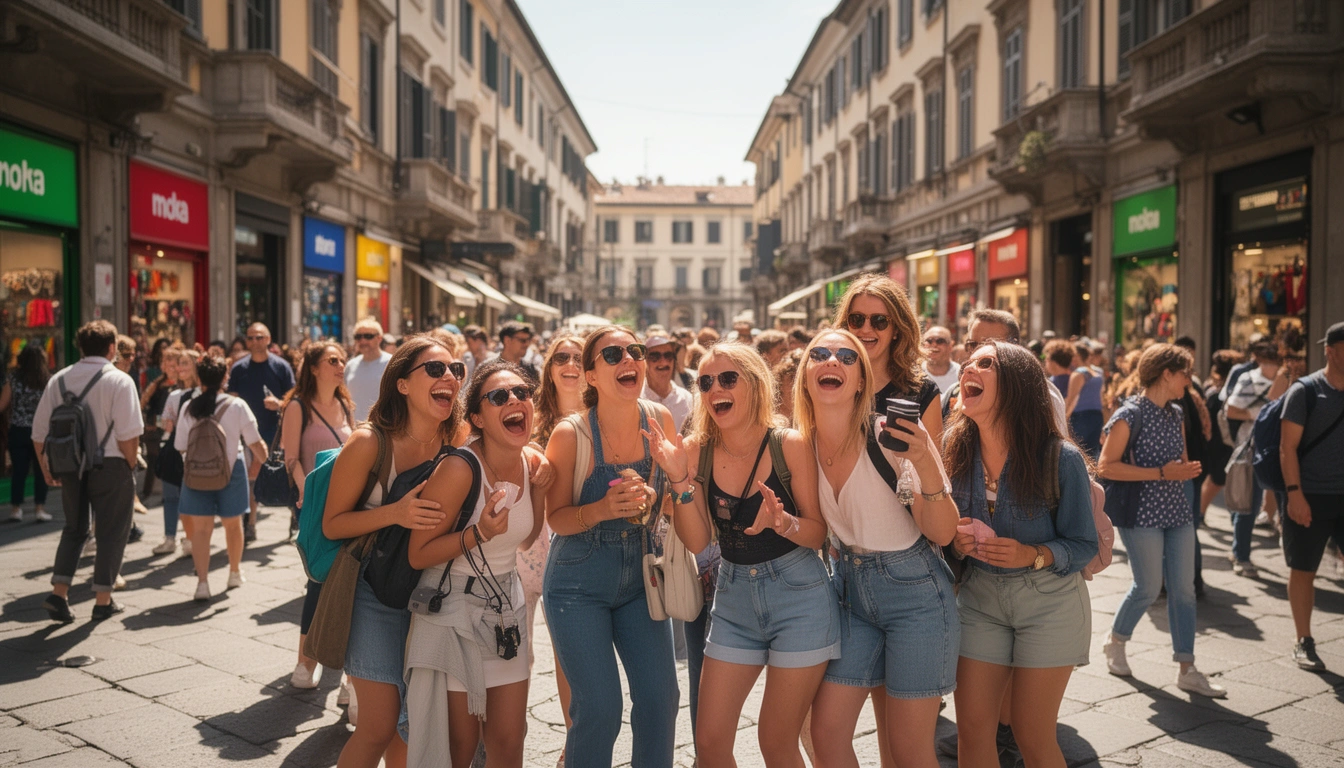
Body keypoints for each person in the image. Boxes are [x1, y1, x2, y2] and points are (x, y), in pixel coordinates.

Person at [642, 341, 834, 766]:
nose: (715, 390)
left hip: (798, 595)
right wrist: (678, 481)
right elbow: (697, 542)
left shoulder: (791, 444)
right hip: (732, 599)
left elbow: (818, 533)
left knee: (776, 741)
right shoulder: (695, 450)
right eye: (706, 382)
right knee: (709, 744)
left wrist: (785, 524)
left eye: (728, 379)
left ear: (755, 386)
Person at [798, 329, 959, 768]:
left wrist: (925, 461)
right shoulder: (797, 444)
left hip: (916, 594)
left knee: (909, 751)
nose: (833, 361)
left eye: (847, 356)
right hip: (849, 593)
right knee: (822, 734)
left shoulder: (890, 433)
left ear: (861, 379)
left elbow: (943, 532)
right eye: (821, 354)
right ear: (805, 373)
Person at [947, 341, 1099, 768]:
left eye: (985, 364)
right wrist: (954, 542)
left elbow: (1083, 544)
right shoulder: (955, 449)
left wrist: (1032, 554)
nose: (968, 370)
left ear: (1016, 383)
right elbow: (942, 531)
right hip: (978, 601)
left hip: (1049, 604)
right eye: (968, 364)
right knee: (974, 733)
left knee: (1033, 736)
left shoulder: (1060, 457)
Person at [324, 335, 467, 768]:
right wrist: (396, 513)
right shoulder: (369, 442)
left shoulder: (456, 437)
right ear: (402, 384)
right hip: (372, 591)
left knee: (411, 724)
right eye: (436, 369)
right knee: (377, 725)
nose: (450, 377)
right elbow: (334, 524)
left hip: (430, 592)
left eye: (456, 370)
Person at [542, 326, 679, 768]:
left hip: (641, 577)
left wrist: (657, 497)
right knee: (600, 710)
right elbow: (557, 518)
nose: (630, 360)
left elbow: (673, 497)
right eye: (613, 354)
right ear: (591, 376)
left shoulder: (660, 418)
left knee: (661, 700)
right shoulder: (571, 434)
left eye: (635, 351)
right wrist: (601, 508)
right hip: (577, 584)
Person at [405, 359, 547, 768]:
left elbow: (524, 539)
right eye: (500, 396)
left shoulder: (530, 460)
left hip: (507, 612)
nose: (516, 400)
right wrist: (478, 534)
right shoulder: (458, 468)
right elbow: (419, 552)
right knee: (458, 750)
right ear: (478, 418)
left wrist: (539, 486)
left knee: (508, 743)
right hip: (454, 616)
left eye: (523, 393)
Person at [1099, 344, 1224, 697]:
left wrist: (1183, 470)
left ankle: (1187, 667)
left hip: (1176, 510)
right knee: (1148, 587)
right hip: (1141, 514)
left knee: (1184, 591)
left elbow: (1178, 461)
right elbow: (1106, 466)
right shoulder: (1129, 414)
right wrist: (1161, 472)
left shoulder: (1176, 413)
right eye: (1185, 372)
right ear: (1166, 374)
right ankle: (1116, 640)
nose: (1190, 379)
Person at [34, 320, 145, 622]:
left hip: (70, 465)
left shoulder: (58, 380)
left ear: (80, 347)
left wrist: (47, 467)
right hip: (111, 464)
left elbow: (39, 433)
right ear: (112, 348)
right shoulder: (120, 381)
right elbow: (128, 435)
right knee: (111, 531)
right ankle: (102, 601)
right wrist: (131, 465)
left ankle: (58, 594)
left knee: (74, 528)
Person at [281, 343, 356, 689]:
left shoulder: (344, 404)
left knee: (352, 584)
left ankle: (349, 675)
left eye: (342, 359)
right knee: (319, 582)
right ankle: (304, 663)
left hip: (350, 507)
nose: (340, 365)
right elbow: (291, 458)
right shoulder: (297, 406)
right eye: (332, 360)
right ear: (313, 367)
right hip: (313, 506)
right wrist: (305, 492)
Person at [526, 331, 586, 748]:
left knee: (570, 657)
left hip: (572, 548)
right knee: (512, 654)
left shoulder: (602, 420)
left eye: (579, 357)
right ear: (549, 367)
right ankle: (502, 739)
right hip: (522, 548)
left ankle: (572, 740)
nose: (569, 364)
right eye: (560, 357)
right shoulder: (528, 414)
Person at [1279, 321, 1344, 671]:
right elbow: (1286, 448)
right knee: (1304, 570)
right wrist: (1294, 494)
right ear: (1330, 351)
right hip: (1310, 494)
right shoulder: (1305, 391)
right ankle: (1303, 640)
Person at [175, 355, 267, 601]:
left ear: (199, 378)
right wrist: (264, 461)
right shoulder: (236, 406)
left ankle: (202, 583)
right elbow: (255, 442)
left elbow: (181, 446)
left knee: (201, 531)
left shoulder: (188, 407)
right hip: (231, 470)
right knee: (233, 524)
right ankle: (234, 573)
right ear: (225, 378)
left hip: (196, 474)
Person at [833, 274, 944, 444]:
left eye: (880, 320)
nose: (866, 329)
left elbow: (936, 467)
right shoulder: (829, 381)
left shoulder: (922, 393)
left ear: (897, 329)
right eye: (857, 319)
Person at [228, 323, 295, 541]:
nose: (254, 341)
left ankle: (294, 515)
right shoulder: (239, 368)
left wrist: (278, 403)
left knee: (285, 477)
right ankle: (250, 524)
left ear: (268, 339)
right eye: (250, 338)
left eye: (259, 337)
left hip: (276, 432)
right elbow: (232, 398)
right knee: (251, 479)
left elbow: (293, 398)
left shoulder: (281, 366)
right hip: (247, 432)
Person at [1223, 340, 1281, 576]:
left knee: (1255, 503)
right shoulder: (1250, 379)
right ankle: (1241, 555)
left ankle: (1240, 549)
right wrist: (1258, 414)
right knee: (1248, 503)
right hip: (1252, 447)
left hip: (1279, 447)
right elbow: (1231, 409)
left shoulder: (1288, 382)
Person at [154, 350, 201, 557]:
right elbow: (166, 424)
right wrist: (167, 422)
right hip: (173, 450)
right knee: (171, 496)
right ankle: (170, 538)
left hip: (195, 452)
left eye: (185, 363)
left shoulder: (202, 393)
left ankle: (191, 539)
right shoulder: (173, 395)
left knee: (189, 498)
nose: (180, 367)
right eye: (179, 363)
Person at [2, 345, 52, 522]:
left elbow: (2, 404)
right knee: (41, 470)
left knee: (19, 471)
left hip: (18, 430)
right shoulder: (48, 380)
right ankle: (40, 508)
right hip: (41, 432)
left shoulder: (14, 379)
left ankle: (16, 509)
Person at [641, 333, 694, 434]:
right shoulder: (637, 398)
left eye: (668, 356)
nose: (663, 362)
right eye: (655, 356)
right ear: (645, 361)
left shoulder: (687, 399)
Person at [1065, 342, 1106, 461]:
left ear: (1077, 356)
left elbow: (1071, 400)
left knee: (1079, 453)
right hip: (1096, 417)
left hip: (1081, 418)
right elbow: (1101, 398)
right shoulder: (1097, 373)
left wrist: (1064, 420)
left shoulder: (1078, 374)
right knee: (1093, 455)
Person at [346, 318, 393, 423]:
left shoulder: (391, 363)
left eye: (368, 336)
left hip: (384, 427)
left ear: (379, 338)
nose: (363, 341)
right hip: (355, 428)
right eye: (358, 337)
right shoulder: (350, 365)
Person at [921, 325, 960, 395]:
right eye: (929, 341)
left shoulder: (961, 374)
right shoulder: (915, 374)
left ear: (950, 346)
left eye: (940, 341)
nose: (934, 345)